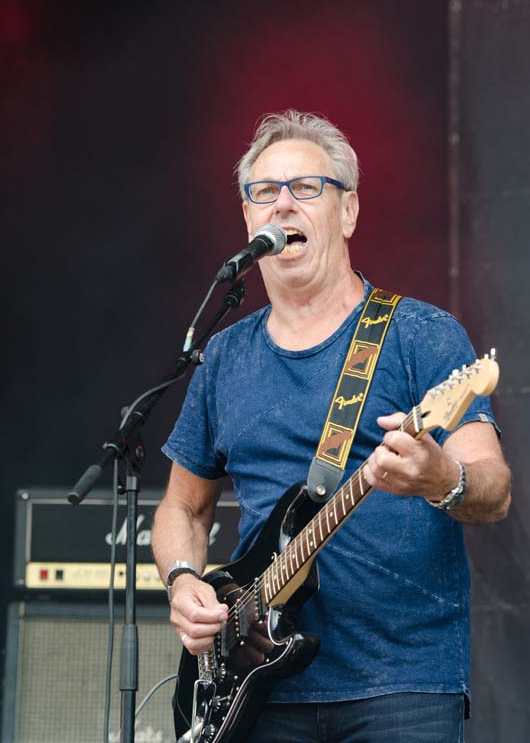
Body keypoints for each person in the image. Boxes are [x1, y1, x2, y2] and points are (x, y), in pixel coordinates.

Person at [152, 110, 511, 743]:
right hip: (257, 688)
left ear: (348, 212)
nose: (283, 205)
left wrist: (441, 479)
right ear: (248, 218)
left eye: (306, 187)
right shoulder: (224, 357)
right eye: (265, 191)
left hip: (402, 682)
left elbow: (494, 489)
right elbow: (183, 506)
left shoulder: (419, 335)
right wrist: (184, 581)